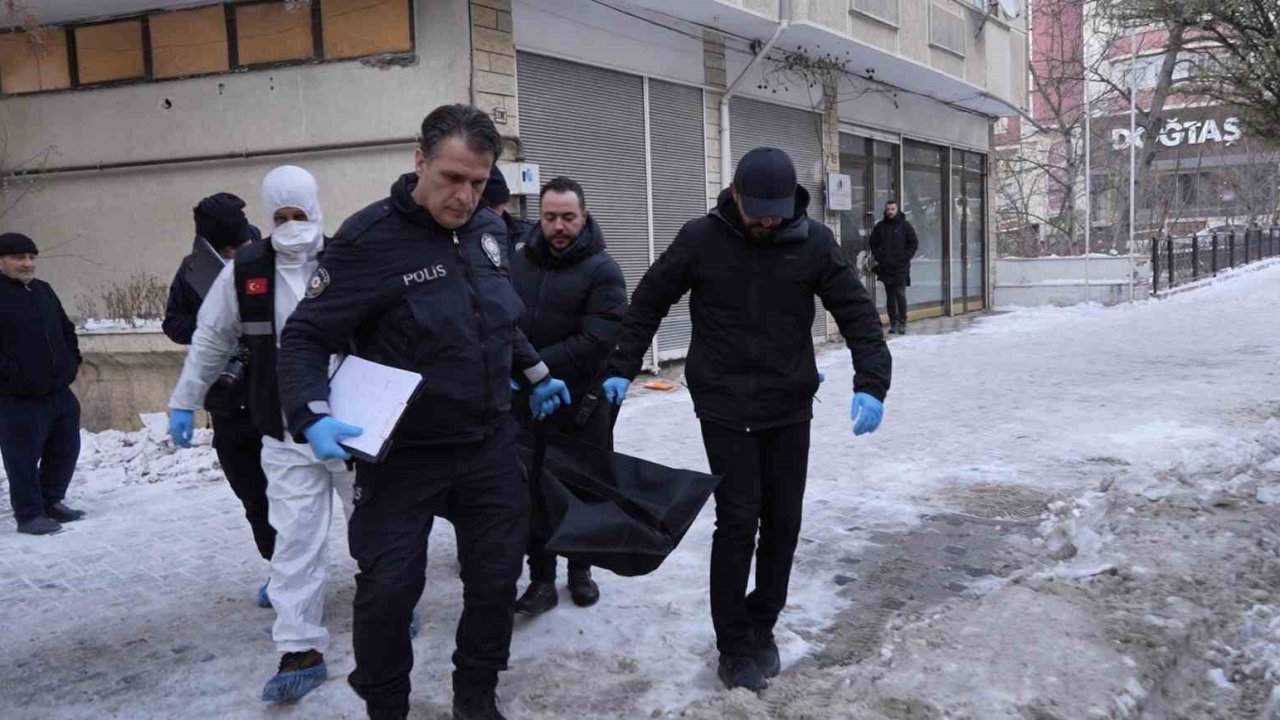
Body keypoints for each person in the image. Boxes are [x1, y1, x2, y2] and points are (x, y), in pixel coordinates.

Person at [277, 104, 571, 720]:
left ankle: (476, 697)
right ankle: (386, 705)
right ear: (420, 161)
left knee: (496, 579)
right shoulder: (368, 240)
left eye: (477, 182)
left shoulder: (489, 233)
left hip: (488, 442)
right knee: (388, 590)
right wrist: (311, 413)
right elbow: (305, 335)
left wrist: (537, 373)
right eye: (451, 178)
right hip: (403, 453)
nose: (464, 196)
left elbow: (495, 316)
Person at [601, 147, 892, 692]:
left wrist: (871, 382)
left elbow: (856, 312)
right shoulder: (700, 239)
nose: (767, 222)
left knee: (784, 522)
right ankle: (733, 646)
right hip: (724, 406)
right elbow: (649, 300)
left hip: (788, 405)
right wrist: (621, 366)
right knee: (738, 522)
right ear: (735, 194)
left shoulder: (813, 242)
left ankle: (762, 624)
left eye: (775, 213)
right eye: (758, 211)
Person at [167, 167, 357, 703]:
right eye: (281, 216)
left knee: (374, 527)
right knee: (294, 542)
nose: (292, 224)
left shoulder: (349, 260)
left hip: (351, 428)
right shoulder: (245, 269)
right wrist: (184, 399)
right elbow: (210, 339)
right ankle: (299, 648)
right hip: (283, 430)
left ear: (316, 209)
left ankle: (389, 605)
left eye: (300, 214)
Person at [506, 176, 628, 616]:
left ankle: (581, 570)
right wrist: (524, 377)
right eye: (550, 217)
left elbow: (597, 340)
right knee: (533, 488)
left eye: (568, 217)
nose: (559, 226)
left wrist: (533, 367)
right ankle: (541, 578)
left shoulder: (603, 270)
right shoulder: (518, 262)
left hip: (582, 404)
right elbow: (504, 320)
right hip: (529, 402)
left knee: (582, 488)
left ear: (584, 216)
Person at [163, 192, 276, 593]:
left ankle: (304, 571)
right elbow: (173, 324)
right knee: (253, 496)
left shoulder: (271, 258)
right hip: (228, 400)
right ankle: (279, 568)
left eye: (239, 246)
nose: (234, 254)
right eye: (225, 249)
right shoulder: (192, 271)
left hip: (275, 396)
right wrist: (214, 325)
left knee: (296, 494)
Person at [0, 233, 84, 536]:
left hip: (58, 390)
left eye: (31, 257)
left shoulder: (43, 290)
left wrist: (71, 362)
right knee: (22, 457)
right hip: (16, 396)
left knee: (66, 447)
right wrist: (13, 376)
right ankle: (29, 514)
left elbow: (66, 329)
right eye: (18, 257)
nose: (27, 263)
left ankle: (51, 501)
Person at [868, 200, 918, 335]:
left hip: (901, 266)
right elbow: (873, 243)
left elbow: (913, 243)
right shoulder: (880, 226)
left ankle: (902, 322)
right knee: (890, 296)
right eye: (888, 209)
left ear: (897, 210)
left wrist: (905, 256)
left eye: (892, 209)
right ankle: (893, 323)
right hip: (886, 267)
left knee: (900, 293)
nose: (890, 211)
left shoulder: (905, 226)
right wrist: (879, 257)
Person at [481, 164, 536, 255]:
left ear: (504, 203)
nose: (490, 215)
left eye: (493, 207)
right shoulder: (466, 237)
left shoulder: (529, 235)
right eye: (485, 209)